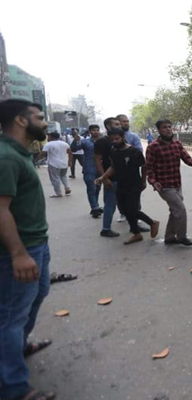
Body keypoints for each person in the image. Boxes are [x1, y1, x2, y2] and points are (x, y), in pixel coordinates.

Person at [0, 99, 56, 400]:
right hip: (18, 251)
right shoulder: (6, 157)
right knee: (10, 317)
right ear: (22, 121)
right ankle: (14, 389)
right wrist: (19, 254)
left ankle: (18, 348)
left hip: (36, 244)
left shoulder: (19, 154)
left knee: (37, 294)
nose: (45, 122)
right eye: (39, 117)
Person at [94, 129, 160, 245]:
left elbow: (144, 167)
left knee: (131, 209)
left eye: (117, 139)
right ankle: (136, 234)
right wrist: (103, 177)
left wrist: (143, 181)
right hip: (120, 184)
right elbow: (113, 167)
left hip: (134, 184)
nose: (115, 141)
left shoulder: (134, 151)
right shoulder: (114, 151)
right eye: (112, 139)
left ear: (122, 137)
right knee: (124, 210)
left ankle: (152, 222)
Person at [146, 118, 192, 246]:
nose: (168, 129)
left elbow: (186, 158)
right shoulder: (153, 147)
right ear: (158, 130)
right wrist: (153, 182)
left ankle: (169, 237)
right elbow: (149, 167)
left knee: (174, 210)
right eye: (164, 127)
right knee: (180, 210)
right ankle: (182, 236)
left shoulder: (177, 144)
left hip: (177, 183)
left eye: (169, 126)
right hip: (164, 185)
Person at [95, 118, 122, 238]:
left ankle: (135, 225)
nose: (119, 125)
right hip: (111, 178)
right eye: (116, 124)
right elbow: (97, 160)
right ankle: (106, 229)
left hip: (122, 177)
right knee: (110, 203)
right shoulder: (102, 142)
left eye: (119, 123)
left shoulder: (119, 140)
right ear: (107, 126)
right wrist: (104, 178)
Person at [72, 124, 103, 218]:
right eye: (93, 130)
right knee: (91, 188)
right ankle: (94, 208)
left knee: (97, 188)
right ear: (90, 132)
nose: (96, 132)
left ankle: (95, 206)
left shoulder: (103, 141)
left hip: (101, 168)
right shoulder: (85, 142)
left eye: (97, 130)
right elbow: (74, 148)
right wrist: (76, 140)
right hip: (89, 168)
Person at [38, 132, 72, 198]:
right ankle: (67, 187)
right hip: (64, 163)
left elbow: (43, 153)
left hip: (53, 164)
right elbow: (70, 152)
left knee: (55, 178)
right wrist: (70, 161)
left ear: (51, 137)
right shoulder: (65, 143)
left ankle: (58, 193)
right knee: (63, 176)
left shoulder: (48, 144)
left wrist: (35, 160)